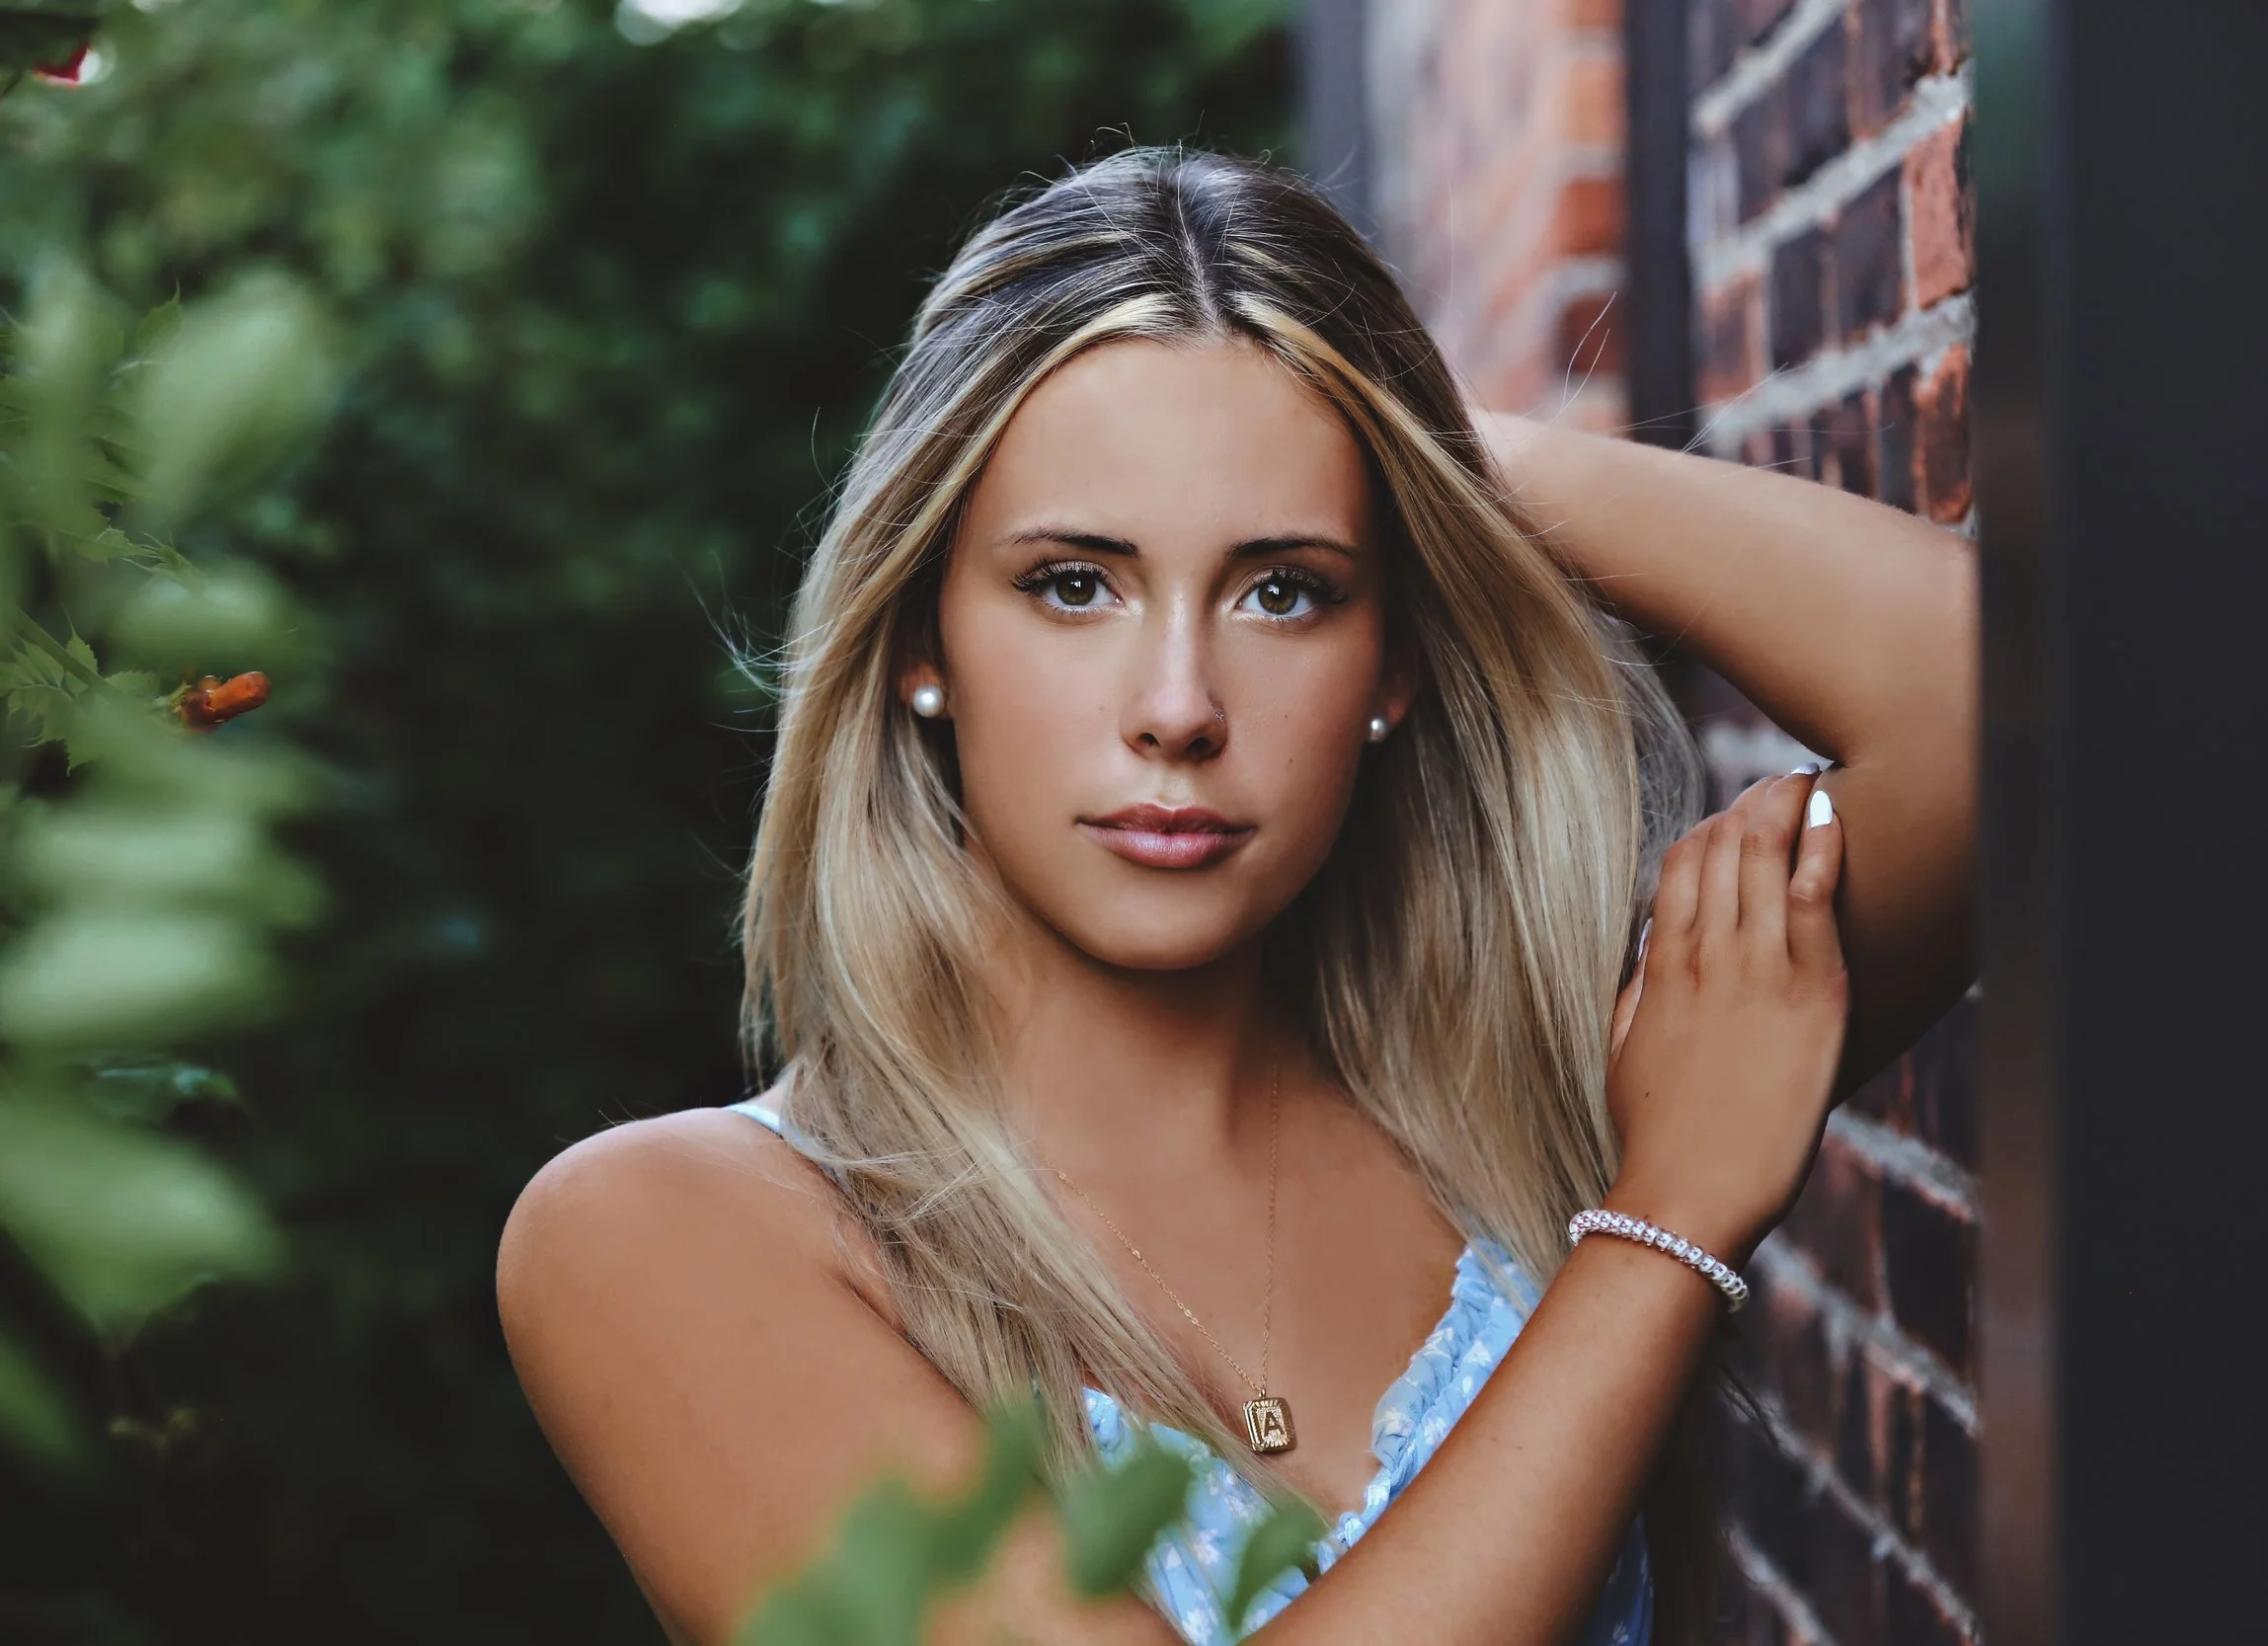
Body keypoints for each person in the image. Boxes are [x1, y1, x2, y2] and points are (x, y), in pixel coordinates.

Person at [496, 147, 1977, 1646]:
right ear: (920, 641)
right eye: (1076, 582)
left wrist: (1434, 460)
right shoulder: (667, 1235)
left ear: (1393, 657)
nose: (1179, 706)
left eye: (1287, 589)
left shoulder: (1554, 1092)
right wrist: (1663, 1227)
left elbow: (2001, 713)